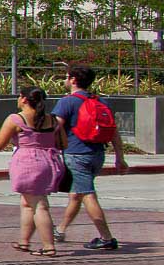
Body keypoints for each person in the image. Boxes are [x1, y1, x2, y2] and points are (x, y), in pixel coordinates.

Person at [0, 88, 68, 257]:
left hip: (27, 163)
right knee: (27, 203)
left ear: (24, 99)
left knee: (39, 205)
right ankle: (24, 241)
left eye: (19, 96)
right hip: (49, 162)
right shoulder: (53, 120)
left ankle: (48, 246)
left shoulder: (16, 119)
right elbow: (63, 143)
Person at [54, 66, 128, 250]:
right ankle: (61, 229)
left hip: (76, 155)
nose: (65, 80)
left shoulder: (67, 102)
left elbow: (55, 128)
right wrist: (120, 157)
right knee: (76, 194)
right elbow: (114, 132)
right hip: (97, 154)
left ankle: (106, 238)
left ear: (72, 80)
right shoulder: (100, 101)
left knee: (87, 194)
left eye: (66, 77)